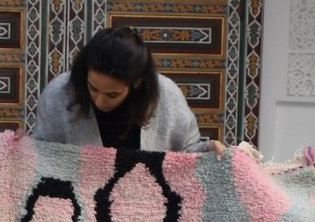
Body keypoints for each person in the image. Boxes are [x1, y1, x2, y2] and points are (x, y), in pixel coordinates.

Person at [32, 26, 226, 156]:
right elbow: (43, 156)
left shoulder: (166, 95)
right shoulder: (59, 93)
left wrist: (208, 149)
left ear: (137, 83)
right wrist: (22, 147)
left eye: (112, 94)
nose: (99, 101)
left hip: (151, 201)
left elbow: (187, 155)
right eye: (92, 88)